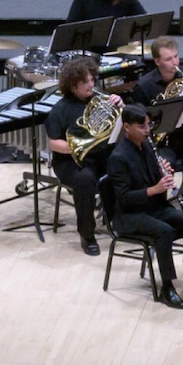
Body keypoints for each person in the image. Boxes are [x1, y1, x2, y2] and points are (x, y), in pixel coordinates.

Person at [109, 104, 183, 310]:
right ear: (126, 127)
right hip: (129, 215)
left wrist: (164, 173)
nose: (147, 130)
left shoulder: (146, 146)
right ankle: (167, 287)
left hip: (153, 207)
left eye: (148, 124)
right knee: (163, 231)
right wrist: (154, 189)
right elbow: (125, 198)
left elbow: (157, 185)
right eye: (142, 126)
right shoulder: (118, 158)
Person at [44, 55, 113, 256]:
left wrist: (119, 106)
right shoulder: (60, 110)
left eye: (92, 80)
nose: (91, 85)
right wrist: (81, 146)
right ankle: (87, 235)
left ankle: (119, 220)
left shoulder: (101, 100)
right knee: (85, 181)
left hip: (99, 157)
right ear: (73, 85)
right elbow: (54, 143)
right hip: (71, 162)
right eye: (85, 82)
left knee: (122, 166)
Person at [131, 36, 183, 106]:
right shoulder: (143, 87)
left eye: (175, 56)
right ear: (157, 61)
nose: (175, 62)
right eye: (169, 59)